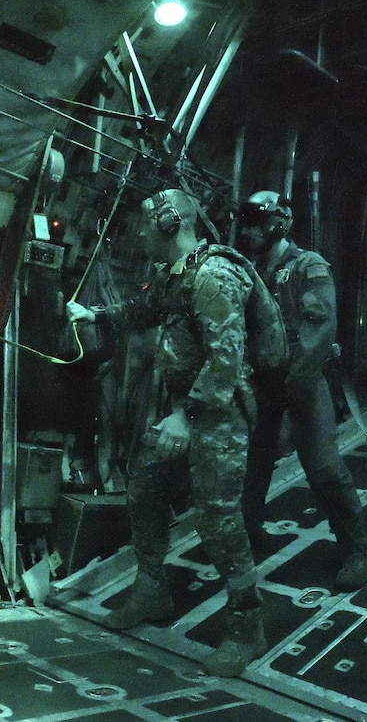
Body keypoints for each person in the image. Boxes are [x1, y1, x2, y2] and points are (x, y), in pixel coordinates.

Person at [67, 189, 266, 677]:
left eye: (144, 226)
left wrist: (184, 417)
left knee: (218, 521)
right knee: (146, 488)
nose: (138, 235)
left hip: (219, 414)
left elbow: (227, 361)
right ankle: (152, 590)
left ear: (170, 222)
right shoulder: (175, 275)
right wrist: (97, 317)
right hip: (189, 410)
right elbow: (144, 312)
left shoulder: (214, 276)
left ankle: (246, 627)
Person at [237, 190, 367, 591]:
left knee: (325, 468)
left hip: (302, 380)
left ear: (277, 222)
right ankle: (247, 533)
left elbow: (319, 324)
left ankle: (358, 550)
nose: (247, 230)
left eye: (255, 221)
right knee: (253, 463)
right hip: (264, 382)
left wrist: (295, 378)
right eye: (245, 222)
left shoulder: (307, 266)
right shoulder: (251, 270)